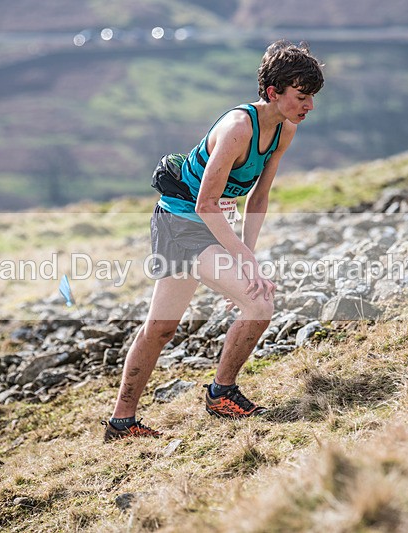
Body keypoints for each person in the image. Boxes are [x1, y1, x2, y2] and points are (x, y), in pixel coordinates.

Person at [104, 40, 324, 441]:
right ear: (273, 92)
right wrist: (240, 259)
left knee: (168, 326)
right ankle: (217, 396)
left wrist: (246, 253)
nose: (309, 106)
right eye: (302, 96)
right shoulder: (239, 129)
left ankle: (124, 422)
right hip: (180, 223)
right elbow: (206, 203)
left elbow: (259, 196)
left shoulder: (284, 130)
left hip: (211, 223)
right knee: (250, 304)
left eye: (311, 97)